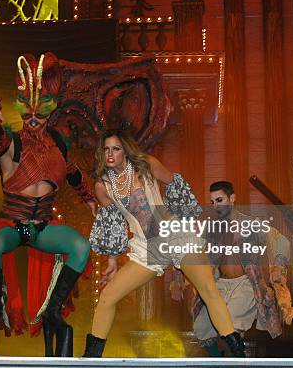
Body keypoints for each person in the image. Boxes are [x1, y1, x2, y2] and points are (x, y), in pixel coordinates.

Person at [82, 129, 245, 357]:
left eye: (116, 148)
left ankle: (238, 353)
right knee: (108, 297)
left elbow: (174, 185)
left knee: (208, 290)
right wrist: (112, 262)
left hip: (176, 236)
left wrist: (184, 220)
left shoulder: (146, 164)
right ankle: (91, 359)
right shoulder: (103, 186)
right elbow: (113, 223)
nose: (110, 153)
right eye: (106, 149)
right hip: (146, 249)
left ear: (125, 151)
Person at [0, 53, 96, 357]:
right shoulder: (12, 142)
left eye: (40, 110)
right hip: (11, 224)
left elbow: (71, 173)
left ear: (52, 108)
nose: (33, 117)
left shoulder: (58, 144)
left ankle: (54, 311)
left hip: (42, 227)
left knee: (81, 246)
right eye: (27, 110)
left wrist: (90, 201)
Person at [190, 181, 286, 356]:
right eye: (213, 202)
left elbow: (280, 240)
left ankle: (237, 360)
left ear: (232, 198)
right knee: (202, 326)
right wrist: (177, 280)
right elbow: (192, 251)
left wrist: (278, 265)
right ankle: (218, 361)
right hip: (218, 284)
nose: (216, 205)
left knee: (231, 324)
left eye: (219, 200)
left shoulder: (250, 224)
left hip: (245, 284)